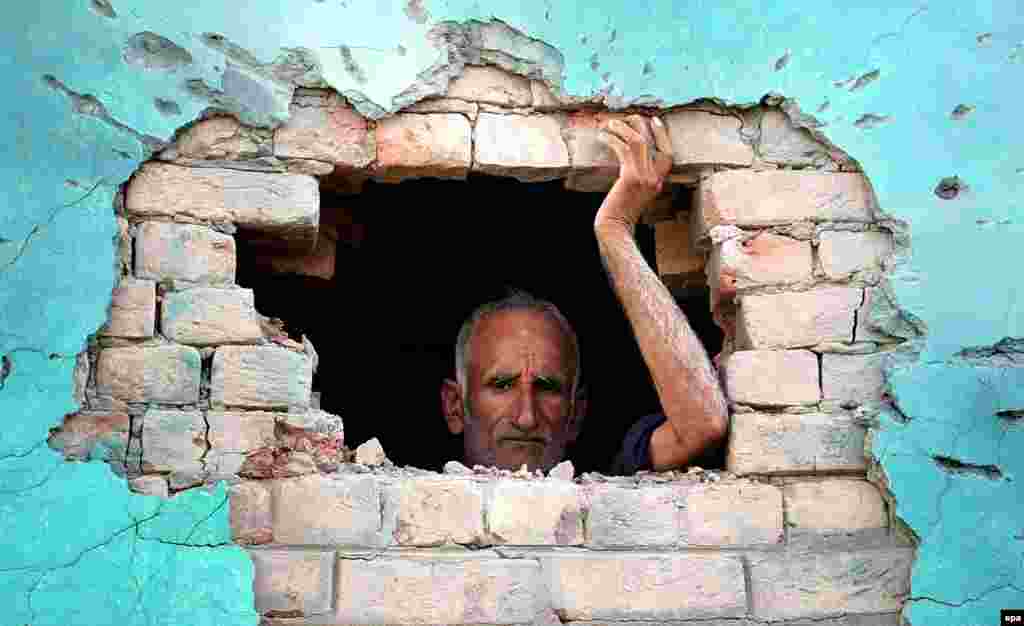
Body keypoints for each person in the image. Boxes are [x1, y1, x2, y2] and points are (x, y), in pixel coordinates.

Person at [440, 115, 728, 475]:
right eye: (501, 384)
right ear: (454, 406)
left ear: (576, 414)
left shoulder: (610, 489)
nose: (527, 416)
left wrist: (616, 231)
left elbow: (702, 425)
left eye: (548, 388)